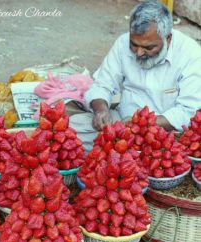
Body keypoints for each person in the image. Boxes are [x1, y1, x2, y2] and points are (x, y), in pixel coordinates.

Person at [70, 0, 201, 152]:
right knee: (70, 129)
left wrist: (143, 124)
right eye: (134, 44)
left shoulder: (191, 55)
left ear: (168, 39)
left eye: (149, 47)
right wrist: (101, 111)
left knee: (184, 150)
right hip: (123, 123)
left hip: (167, 134)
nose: (139, 53)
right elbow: (102, 85)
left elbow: (189, 111)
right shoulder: (122, 43)